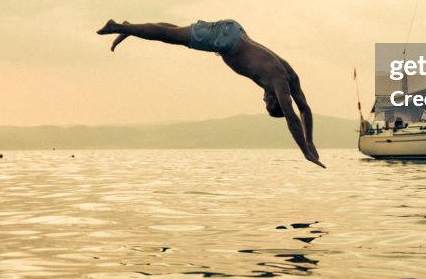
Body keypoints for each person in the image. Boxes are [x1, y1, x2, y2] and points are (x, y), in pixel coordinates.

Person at [97, 19, 325, 168]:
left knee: (174, 33)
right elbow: (294, 115)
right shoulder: (279, 82)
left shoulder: (291, 75)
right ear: (275, 100)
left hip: (236, 30)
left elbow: (305, 108)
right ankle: (120, 26)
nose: (263, 99)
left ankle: (130, 28)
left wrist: (312, 141)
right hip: (227, 42)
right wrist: (305, 150)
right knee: (169, 35)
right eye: (266, 103)